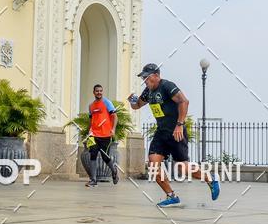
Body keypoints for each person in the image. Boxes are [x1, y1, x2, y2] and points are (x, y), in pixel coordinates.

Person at [128, 63, 219, 207]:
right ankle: (172, 196)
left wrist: (179, 124)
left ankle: (210, 178)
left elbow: (184, 101)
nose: (144, 80)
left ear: (156, 75)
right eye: (143, 78)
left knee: (183, 168)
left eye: (147, 77)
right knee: (153, 165)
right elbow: (137, 105)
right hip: (161, 133)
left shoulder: (167, 86)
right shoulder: (148, 91)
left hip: (176, 132)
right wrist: (132, 100)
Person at [86, 84, 119, 187]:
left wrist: (113, 129)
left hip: (106, 135)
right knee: (93, 154)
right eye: (97, 91)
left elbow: (115, 116)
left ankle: (114, 171)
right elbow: (91, 120)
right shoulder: (91, 106)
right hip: (94, 135)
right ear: (94, 92)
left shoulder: (107, 102)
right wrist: (89, 132)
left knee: (105, 157)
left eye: (100, 91)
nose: (99, 92)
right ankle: (93, 180)